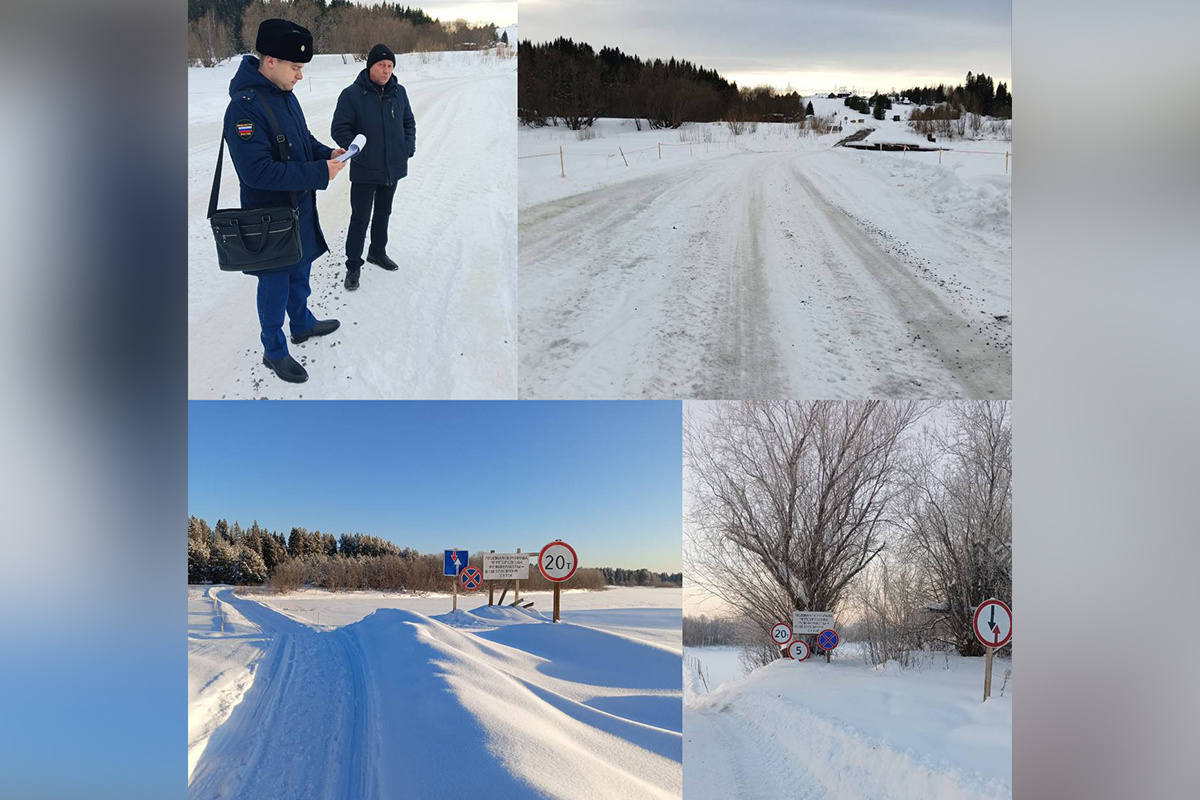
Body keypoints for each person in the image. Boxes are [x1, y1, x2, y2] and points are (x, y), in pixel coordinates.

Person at [223, 18, 347, 383]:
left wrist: (331, 154)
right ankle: (273, 350)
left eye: (303, 68)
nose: (299, 76)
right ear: (271, 60)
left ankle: (303, 324)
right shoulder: (244, 108)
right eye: (296, 68)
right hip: (269, 217)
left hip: (299, 207)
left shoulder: (285, 96)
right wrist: (320, 173)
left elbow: (302, 140)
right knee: (275, 285)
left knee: (302, 269)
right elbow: (257, 172)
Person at [331, 43, 417, 291]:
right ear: (370, 66)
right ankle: (353, 266)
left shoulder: (399, 92)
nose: (386, 70)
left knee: (383, 213)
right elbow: (339, 128)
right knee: (360, 218)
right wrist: (357, 150)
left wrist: (407, 147)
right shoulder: (352, 95)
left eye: (390, 66)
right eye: (381, 65)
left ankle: (377, 253)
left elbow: (408, 122)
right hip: (365, 170)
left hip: (392, 167)